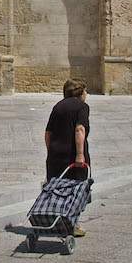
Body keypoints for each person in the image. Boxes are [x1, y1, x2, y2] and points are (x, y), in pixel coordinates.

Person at [44, 77, 90, 237]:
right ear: (80, 92)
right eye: (85, 91)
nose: (87, 94)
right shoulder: (82, 107)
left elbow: (48, 133)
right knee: (75, 191)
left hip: (56, 156)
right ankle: (72, 224)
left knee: (57, 190)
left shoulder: (58, 107)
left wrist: (51, 152)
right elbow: (79, 130)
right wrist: (80, 155)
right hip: (72, 157)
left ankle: (55, 221)